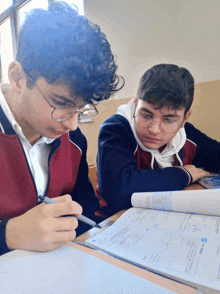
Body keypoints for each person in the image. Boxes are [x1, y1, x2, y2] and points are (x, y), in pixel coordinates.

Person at [0, 1, 123, 256]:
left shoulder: (73, 139)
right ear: (18, 78)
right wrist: (9, 234)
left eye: (81, 109)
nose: (72, 124)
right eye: (61, 103)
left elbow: (85, 206)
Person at [96, 63, 220, 217]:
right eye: (146, 115)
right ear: (135, 105)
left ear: (184, 119)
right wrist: (183, 174)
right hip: (115, 221)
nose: (154, 129)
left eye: (168, 120)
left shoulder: (185, 134)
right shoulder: (116, 129)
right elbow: (120, 191)